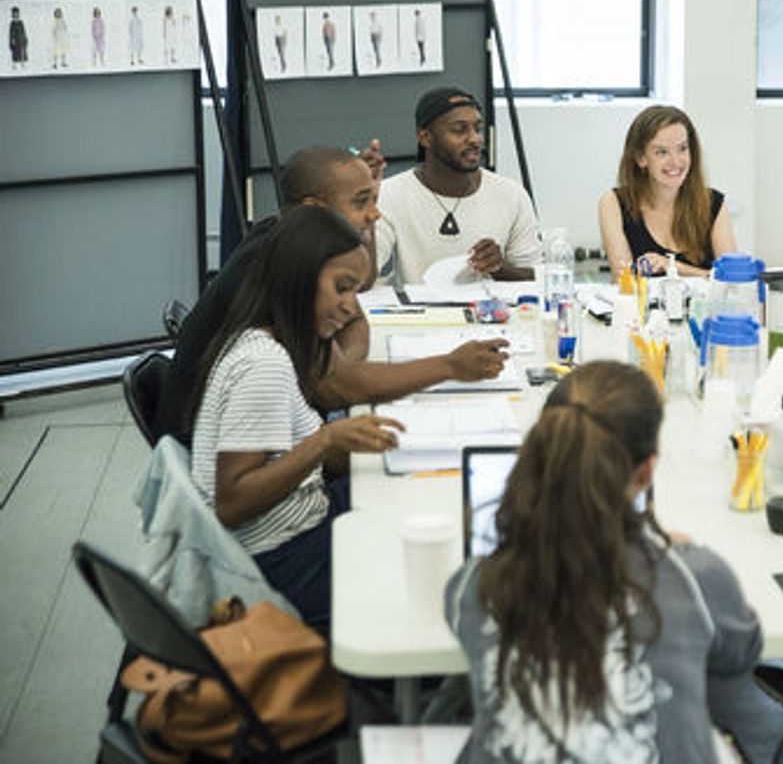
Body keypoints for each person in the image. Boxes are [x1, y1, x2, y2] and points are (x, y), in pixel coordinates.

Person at [445, 360, 770, 762]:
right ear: (647, 471)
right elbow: (741, 654)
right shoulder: (695, 577)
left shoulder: (474, 584)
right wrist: (663, 553)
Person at [156, 145, 510, 445]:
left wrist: (341, 370)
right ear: (314, 209)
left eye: (374, 199)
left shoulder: (288, 235)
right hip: (216, 447)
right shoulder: (282, 264)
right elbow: (336, 390)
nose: (375, 214)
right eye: (361, 202)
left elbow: (359, 294)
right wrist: (449, 366)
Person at [188, 206, 405, 631]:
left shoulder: (267, 341)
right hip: (282, 560)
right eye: (342, 288)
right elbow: (232, 502)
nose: (351, 307)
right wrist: (325, 441)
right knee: (427, 563)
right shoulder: (263, 365)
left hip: (303, 520)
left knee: (409, 497)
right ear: (300, 277)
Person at [376, 87, 542, 285]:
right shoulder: (390, 194)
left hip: (490, 305)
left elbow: (536, 278)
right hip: (420, 306)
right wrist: (361, 200)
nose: (475, 139)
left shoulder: (511, 195)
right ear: (425, 137)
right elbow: (360, 278)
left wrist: (500, 268)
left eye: (478, 129)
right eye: (459, 130)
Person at [599, 105, 737, 278]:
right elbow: (624, 279)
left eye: (682, 149)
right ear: (641, 158)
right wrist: (699, 274)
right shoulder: (613, 203)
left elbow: (732, 280)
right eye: (662, 152)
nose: (676, 162)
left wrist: (671, 266)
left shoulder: (714, 204)